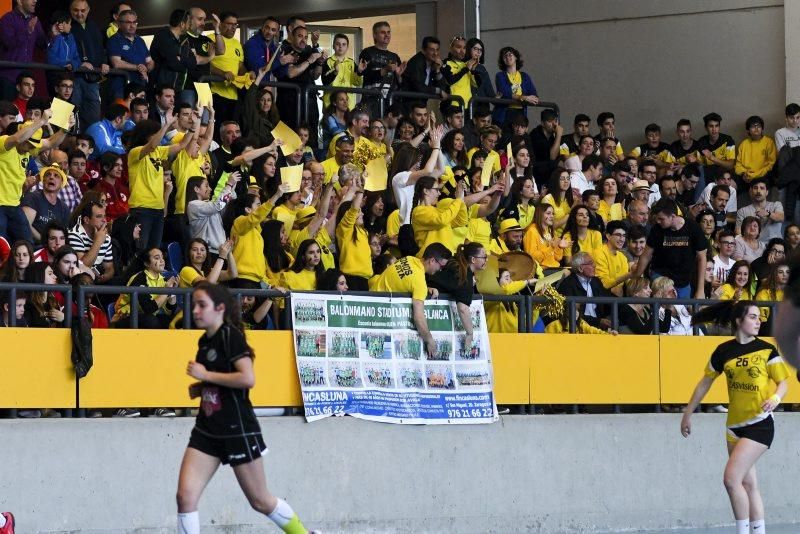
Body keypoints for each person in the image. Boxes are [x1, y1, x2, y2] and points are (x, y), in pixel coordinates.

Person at [176, 281, 317, 534]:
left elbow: (247, 378)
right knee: (185, 497)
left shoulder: (231, 336)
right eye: (194, 305)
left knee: (260, 501)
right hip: (207, 429)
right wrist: (201, 389)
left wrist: (206, 376)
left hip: (236, 427)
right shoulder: (204, 342)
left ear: (219, 308)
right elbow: (220, 380)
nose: (195, 311)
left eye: (201, 305)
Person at [682, 300, 790, 534]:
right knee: (748, 484)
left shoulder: (766, 350)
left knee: (731, 480)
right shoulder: (723, 351)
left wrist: (775, 399)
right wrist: (687, 413)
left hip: (759, 424)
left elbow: (783, 383)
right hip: (733, 427)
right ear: (739, 321)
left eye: (759, 317)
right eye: (752, 317)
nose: (758, 321)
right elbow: (705, 383)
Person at [633, 198, 707, 299]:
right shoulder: (656, 229)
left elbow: (702, 258)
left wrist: (700, 290)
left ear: (672, 216)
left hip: (683, 282)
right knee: (662, 305)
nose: (658, 221)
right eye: (657, 218)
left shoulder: (693, 227)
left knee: (682, 313)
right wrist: (635, 281)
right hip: (660, 276)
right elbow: (646, 256)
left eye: (661, 219)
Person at [112, 247, 177, 329]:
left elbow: (169, 311)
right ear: (147, 263)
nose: (162, 260)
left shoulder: (163, 280)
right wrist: (166, 291)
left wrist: (172, 292)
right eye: (157, 258)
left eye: (162, 257)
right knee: (152, 321)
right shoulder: (139, 279)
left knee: (174, 321)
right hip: (125, 317)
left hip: (147, 317)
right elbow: (148, 308)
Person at [69, 0, 109, 127]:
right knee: (66, 118)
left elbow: (101, 48)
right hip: (71, 77)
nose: (79, 14)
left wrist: (104, 62)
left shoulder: (93, 26)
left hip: (92, 80)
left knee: (94, 119)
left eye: (83, 10)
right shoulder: (66, 26)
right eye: (76, 10)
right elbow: (61, 53)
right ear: (70, 11)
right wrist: (80, 63)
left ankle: (91, 145)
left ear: (88, 10)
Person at [0, 0, 46, 102]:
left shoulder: (35, 20)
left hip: (27, 79)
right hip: (9, 77)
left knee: (28, 114)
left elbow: (42, 45)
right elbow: (9, 43)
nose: (35, 0)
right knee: (8, 113)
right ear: (20, 1)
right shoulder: (7, 19)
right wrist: (27, 31)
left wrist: (53, 35)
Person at [356, 21, 404, 119]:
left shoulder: (394, 56)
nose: (387, 35)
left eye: (388, 32)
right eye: (383, 32)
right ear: (375, 35)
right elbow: (365, 75)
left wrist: (399, 76)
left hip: (390, 101)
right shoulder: (367, 52)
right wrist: (385, 70)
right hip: (371, 101)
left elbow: (400, 83)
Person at [106, 9, 154, 99]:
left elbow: (150, 61)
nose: (132, 25)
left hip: (140, 88)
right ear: (120, 23)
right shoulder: (114, 40)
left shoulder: (140, 40)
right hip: (121, 89)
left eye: (134, 22)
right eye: (128, 22)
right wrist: (138, 67)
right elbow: (116, 63)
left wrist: (146, 69)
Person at [209, 11, 245, 125]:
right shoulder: (210, 38)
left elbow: (240, 66)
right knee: (218, 131)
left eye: (235, 24)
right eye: (230, 24)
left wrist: (247, 75)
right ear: (220, 24)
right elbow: (205, 64)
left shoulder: (237, 43)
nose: (233, 27)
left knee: (232, 131)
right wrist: (222, 73)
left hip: (234, 95)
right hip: (216, 94)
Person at [493, 46, 538, 132]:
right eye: (505, 56)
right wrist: (524, 98)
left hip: (520, 113)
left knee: (517, 141)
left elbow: (533, 93)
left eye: (510, 55)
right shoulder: (500, 75)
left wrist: (532, 98)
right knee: (505, 141)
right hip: (504, 114)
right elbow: (505, 92)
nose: (508, 57)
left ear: (516, 57)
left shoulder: (525, 76)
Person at [21, 165, 70, 244]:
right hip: (32, 247)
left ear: (61, 183)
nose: (51, 177)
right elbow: (25, 225)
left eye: (56, 176)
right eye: (48, 175)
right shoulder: (33, 198)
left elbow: (63, 235)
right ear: (43, 181)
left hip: (53, 249)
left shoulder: (64, 208)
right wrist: (45, 242)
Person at [321, 33, 362, 110]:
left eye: (344, 44)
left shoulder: (351, 63)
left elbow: (358, 83)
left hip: (348, 106)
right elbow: (325, 82)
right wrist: (335, 72)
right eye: (337, 44)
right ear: (333, 46)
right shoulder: (327, 61)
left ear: (347, 47)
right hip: (330, 105)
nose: (340, 46)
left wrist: (359, 72)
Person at [523, 203, 569, 270]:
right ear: (540, 214)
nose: (552, 216)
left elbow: (557, 258)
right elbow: (533, 258)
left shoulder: (550, 230)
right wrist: (551, 247)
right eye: (548, 213)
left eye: (553, 214)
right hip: (541, 270)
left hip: (554, 267)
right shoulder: (532, 231)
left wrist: (559, 247)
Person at [735, 116, 776, 184]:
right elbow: (738, 164)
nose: (756, 129)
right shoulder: (743, 144)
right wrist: (743, 174)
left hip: (763, 176)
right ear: (748, 130)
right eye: (753, 126)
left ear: (762, 129)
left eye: (759, 126)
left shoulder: (769, 142)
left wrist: (755, 175)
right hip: (745, 176)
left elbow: (771, 164)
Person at [754, 262, 788, 335]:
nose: (785, 275)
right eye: (781, 272)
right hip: (769, 332)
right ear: (774, 275)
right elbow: (763, 323)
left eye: (787, 272)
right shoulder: (763, 293)